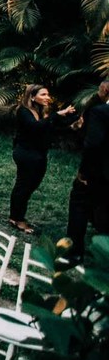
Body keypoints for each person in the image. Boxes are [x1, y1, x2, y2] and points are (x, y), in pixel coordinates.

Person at [9, 84, 76, 234]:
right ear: (32, 97)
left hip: (38, 154)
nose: (48, 97)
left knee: (31, 185)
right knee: (24, 185)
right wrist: (58, 114)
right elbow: (35, 127)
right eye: (43, 94)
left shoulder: (41, 112)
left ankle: (17, 215)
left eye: (48, 94)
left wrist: (72, 127)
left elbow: (49, 130)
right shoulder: (24, 111)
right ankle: (17, 218)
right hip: (26, 153)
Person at [63, 81, 109, 264]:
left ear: (105, 90)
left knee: (79, 205)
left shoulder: (101, 113)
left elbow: (93, 145)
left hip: (98, 174)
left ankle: (74, 252)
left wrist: (84, 173)